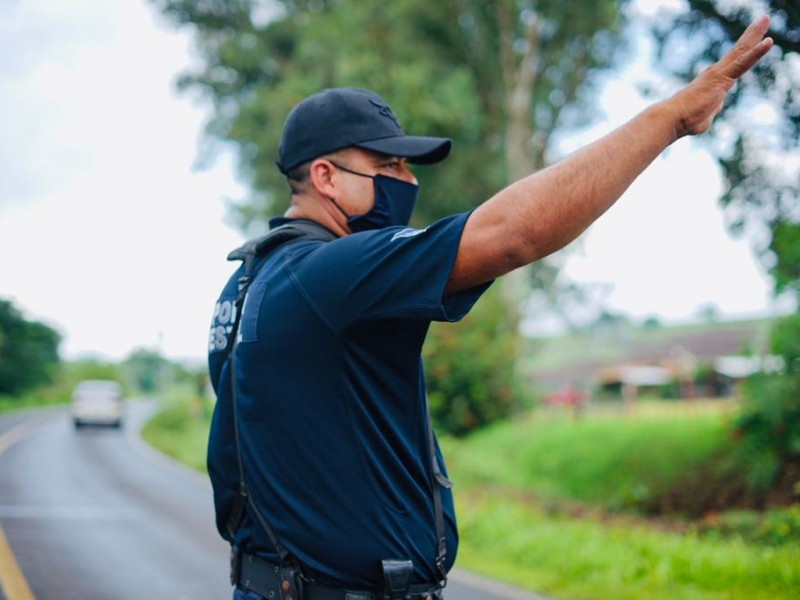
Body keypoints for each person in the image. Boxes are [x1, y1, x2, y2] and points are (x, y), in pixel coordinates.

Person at [207, 16, 773, 600]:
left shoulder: (244, 286)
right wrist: (672, 116)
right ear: (324, 176)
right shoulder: (330, 272)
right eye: (387, 167)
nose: (408, 181)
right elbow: (508, 235)